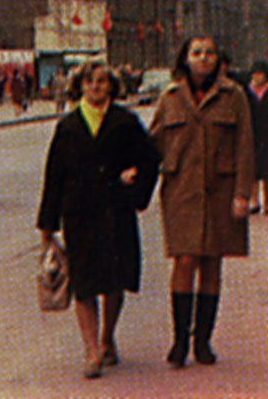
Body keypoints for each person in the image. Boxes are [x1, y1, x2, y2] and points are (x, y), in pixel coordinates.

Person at [37, 61, 160, 379]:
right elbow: (54, 176)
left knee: (115, 281)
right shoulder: (68, 126)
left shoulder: (125, 122)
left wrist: (135, 181)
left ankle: (107, 337)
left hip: (115, 212)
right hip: (80, 215)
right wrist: (47, 225)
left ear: (111, 86)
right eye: (90, 81)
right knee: (84, 284)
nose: (95, 86)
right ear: (80, 86)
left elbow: (150, 159)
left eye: (102, 81)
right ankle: (91, 350)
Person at [150, 35, 255, 368]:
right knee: (183, 261)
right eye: (196, 52)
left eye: (209, 52)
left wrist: (243, 193)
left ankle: (203, 341)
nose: (203, 58)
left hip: (220, 191)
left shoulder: (234, 96)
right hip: (181, 190)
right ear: (185, 58)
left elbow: (245, 145)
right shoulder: (169, 98)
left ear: (218, 59)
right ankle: (180, 340)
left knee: (212, 263)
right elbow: (152, 141)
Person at [245, 60, 268, 215]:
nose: (258, 77)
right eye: (255, 74)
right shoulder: (246, 92)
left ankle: (267, 203)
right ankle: (254, 201)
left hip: (267, 134)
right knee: (252, 171)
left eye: (261, 74)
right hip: (250, 133)